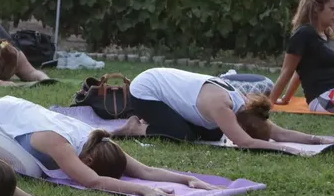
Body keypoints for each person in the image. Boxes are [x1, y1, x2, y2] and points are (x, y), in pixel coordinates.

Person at [0, 96, 222, 196]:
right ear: (89, 160)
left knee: (34, 166)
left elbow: (146, 170)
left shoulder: (101, 140)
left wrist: (188, 178)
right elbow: (93, 182)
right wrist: (142, 190)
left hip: (8, 113)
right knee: (31, 169)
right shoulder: (61, 144)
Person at [130, 68, 332, 152]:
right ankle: (136, 128)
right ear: (242, 124)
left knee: (214, 132)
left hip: (171, 91)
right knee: (182, 135)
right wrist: (290, 150)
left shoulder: (247, 107)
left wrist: (320, 139)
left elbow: (279, 133)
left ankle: (159, 120)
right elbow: (245, 142)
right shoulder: (222, 106)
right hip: (145, 90)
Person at [271, 0, 334, 112]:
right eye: (332, 9)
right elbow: (287, 71)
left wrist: (286, 98)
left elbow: (300, 72)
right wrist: (268, 104)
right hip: (323, 99)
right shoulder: (304, 33)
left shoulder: (325, 35)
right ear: (317, 8)